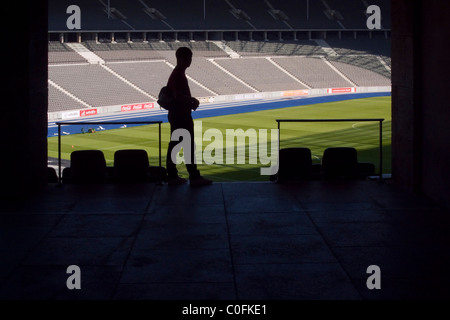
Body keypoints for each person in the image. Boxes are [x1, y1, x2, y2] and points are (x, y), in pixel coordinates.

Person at [165, 47, 212, 186]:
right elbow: (178, 96)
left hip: (177, 115)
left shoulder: (177, 74)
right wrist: (192, 101)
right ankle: (193, 177)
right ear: (180, 59)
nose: (190, 61)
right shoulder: (178, 75)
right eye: (188, 58)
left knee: (177, 145)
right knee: (188, 146)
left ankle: (173, 175)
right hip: (181, 116)